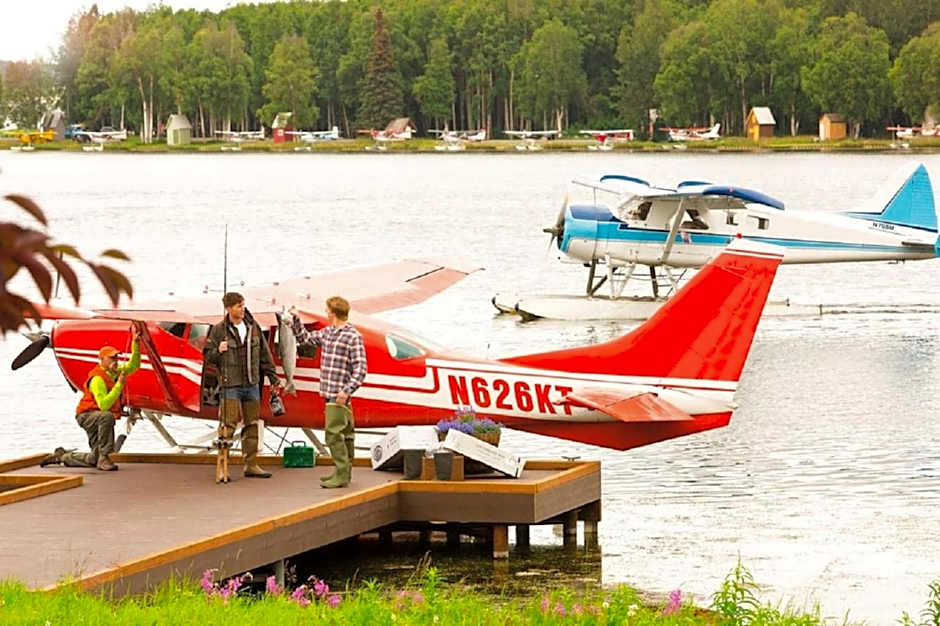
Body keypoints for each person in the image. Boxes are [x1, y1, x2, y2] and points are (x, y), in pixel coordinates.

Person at [289, 296, 367, 488]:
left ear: (333, 313)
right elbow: (305, 339)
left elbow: (360, 368)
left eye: (327, 310)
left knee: (333, 434)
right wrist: (296, 319)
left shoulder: (353, 336)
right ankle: (344, 472)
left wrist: (347, 390)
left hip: (339, 394)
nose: (325, 312)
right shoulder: (328, 333)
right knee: (345, 433)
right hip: (329, 391)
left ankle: (341, 473)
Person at [40, 325, 142, 471]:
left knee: (92, 458)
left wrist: (135, 343)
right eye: (112, 358)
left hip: (96, 416)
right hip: (86, 416)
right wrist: (119, 385)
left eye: (117, 357)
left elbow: (134, 365)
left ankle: (62, 457)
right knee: (107, 417)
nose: (116, 360)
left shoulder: (115, 371)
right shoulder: (97, 379)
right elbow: (104, 406)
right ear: (102, 360)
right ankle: (105, 458)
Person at [204, 292, 281, 479]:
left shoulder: (253, 327)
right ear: (229, 308)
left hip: (251, 382)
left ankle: (251, 464)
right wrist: (217, 350)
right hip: (230, 384)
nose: (242, 308)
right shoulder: (217, 330)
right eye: (238, 306)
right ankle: (223, 466)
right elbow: (208, 357)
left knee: (252, 424)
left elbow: (264, 354)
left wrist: (273, 377)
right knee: (227, 425)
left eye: (243, 304)